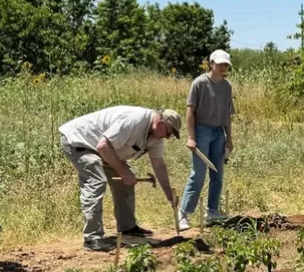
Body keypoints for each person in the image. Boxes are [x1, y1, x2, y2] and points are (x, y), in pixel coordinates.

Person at [59, 106, 182, 251]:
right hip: (80, 141)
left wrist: (169, 193)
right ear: (160, 124)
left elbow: (159, 164)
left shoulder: (156, 137)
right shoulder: (134, 120)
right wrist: (123, 173)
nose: (167, 137)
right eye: (168, 133)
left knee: (126, 180)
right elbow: (103, 146)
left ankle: (127, 228)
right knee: (96, 181)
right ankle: (92, 238)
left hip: (104, 148)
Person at [179, 49, 235, 229]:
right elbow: (190, 110)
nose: (223, 67)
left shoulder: (227, 87)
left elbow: (227, 114)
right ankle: (184, 213)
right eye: (220, 64)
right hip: (202, 131)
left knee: (217, 174)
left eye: (225, 64)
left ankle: (212, 211)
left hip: (219, 133)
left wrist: (229, 138)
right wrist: (191, 136)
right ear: (211, 64)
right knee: (199, 174)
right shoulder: (200, 83)